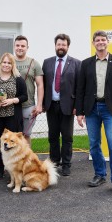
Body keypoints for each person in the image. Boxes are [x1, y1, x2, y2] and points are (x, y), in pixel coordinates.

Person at [76, 30, 112, 197]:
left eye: (103, 40)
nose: (100, 42)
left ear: (108, 42)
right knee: (94, 145)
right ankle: (100, 174)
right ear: (93, 43)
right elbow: (80, 90)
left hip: (111, 110)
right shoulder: (85, 64)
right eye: (97, 40)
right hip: (91, 109)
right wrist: (79, 112)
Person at [0, 53, 28, 179]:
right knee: (1, 144)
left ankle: (13, 170)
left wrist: (12, 100)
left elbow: (25, 96)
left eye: (9, 63)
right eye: (4, 62)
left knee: (13, 144)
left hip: (12, 117)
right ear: (0, 63)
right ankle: (1, 169)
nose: (6, 65)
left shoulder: (18, 79)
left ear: (12, 65)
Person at [42, 34, 81, 176]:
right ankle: (54, 163)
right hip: (51, 105)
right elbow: (43, 85)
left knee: (67, 137)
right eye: (58, 44)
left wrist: (78, 106)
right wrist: (41, 104)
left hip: (68, 106)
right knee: (52, 136)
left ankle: (66, 164)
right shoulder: (47, 62)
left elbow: (79, 87)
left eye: (63, 45)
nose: (61, 47)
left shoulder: (76, 63)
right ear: (55, 45)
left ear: (68, 46)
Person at [14, 35, 44, 147]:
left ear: (27, 47)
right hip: (11, 106)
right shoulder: (8, 62)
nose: (20, 48)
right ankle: (10, 164)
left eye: (23, 46)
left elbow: (40, 85)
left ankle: (26, 162)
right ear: (14, 46)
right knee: (11, 136)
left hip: (28, 106)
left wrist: (39, 105)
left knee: (26, 135)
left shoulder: (34, 63)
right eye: (17, 45)